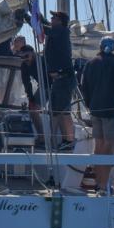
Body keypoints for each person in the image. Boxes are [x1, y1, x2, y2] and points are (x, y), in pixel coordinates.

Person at [79, 36, 114, 192]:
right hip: (112, 111)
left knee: (99, 146)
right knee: (109, 147)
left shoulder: (90, 64)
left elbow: (84, 87)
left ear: (100, 47)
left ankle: (98, 183)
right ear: (113, 48)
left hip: (95, 110)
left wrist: (90, 104)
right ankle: (103, 185)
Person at [43, 10, 76, 149]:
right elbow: (45, 26)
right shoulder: (56, 31)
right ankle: (53, 142)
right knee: (54, 112)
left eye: (53, 17)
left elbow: (45, 29)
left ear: (60, 21)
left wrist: (29, 19)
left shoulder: (61, 31)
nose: (51, 19)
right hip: (57, 80)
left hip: (64, 79)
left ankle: (69, 142)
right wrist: (37, 16)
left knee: (64, 112)